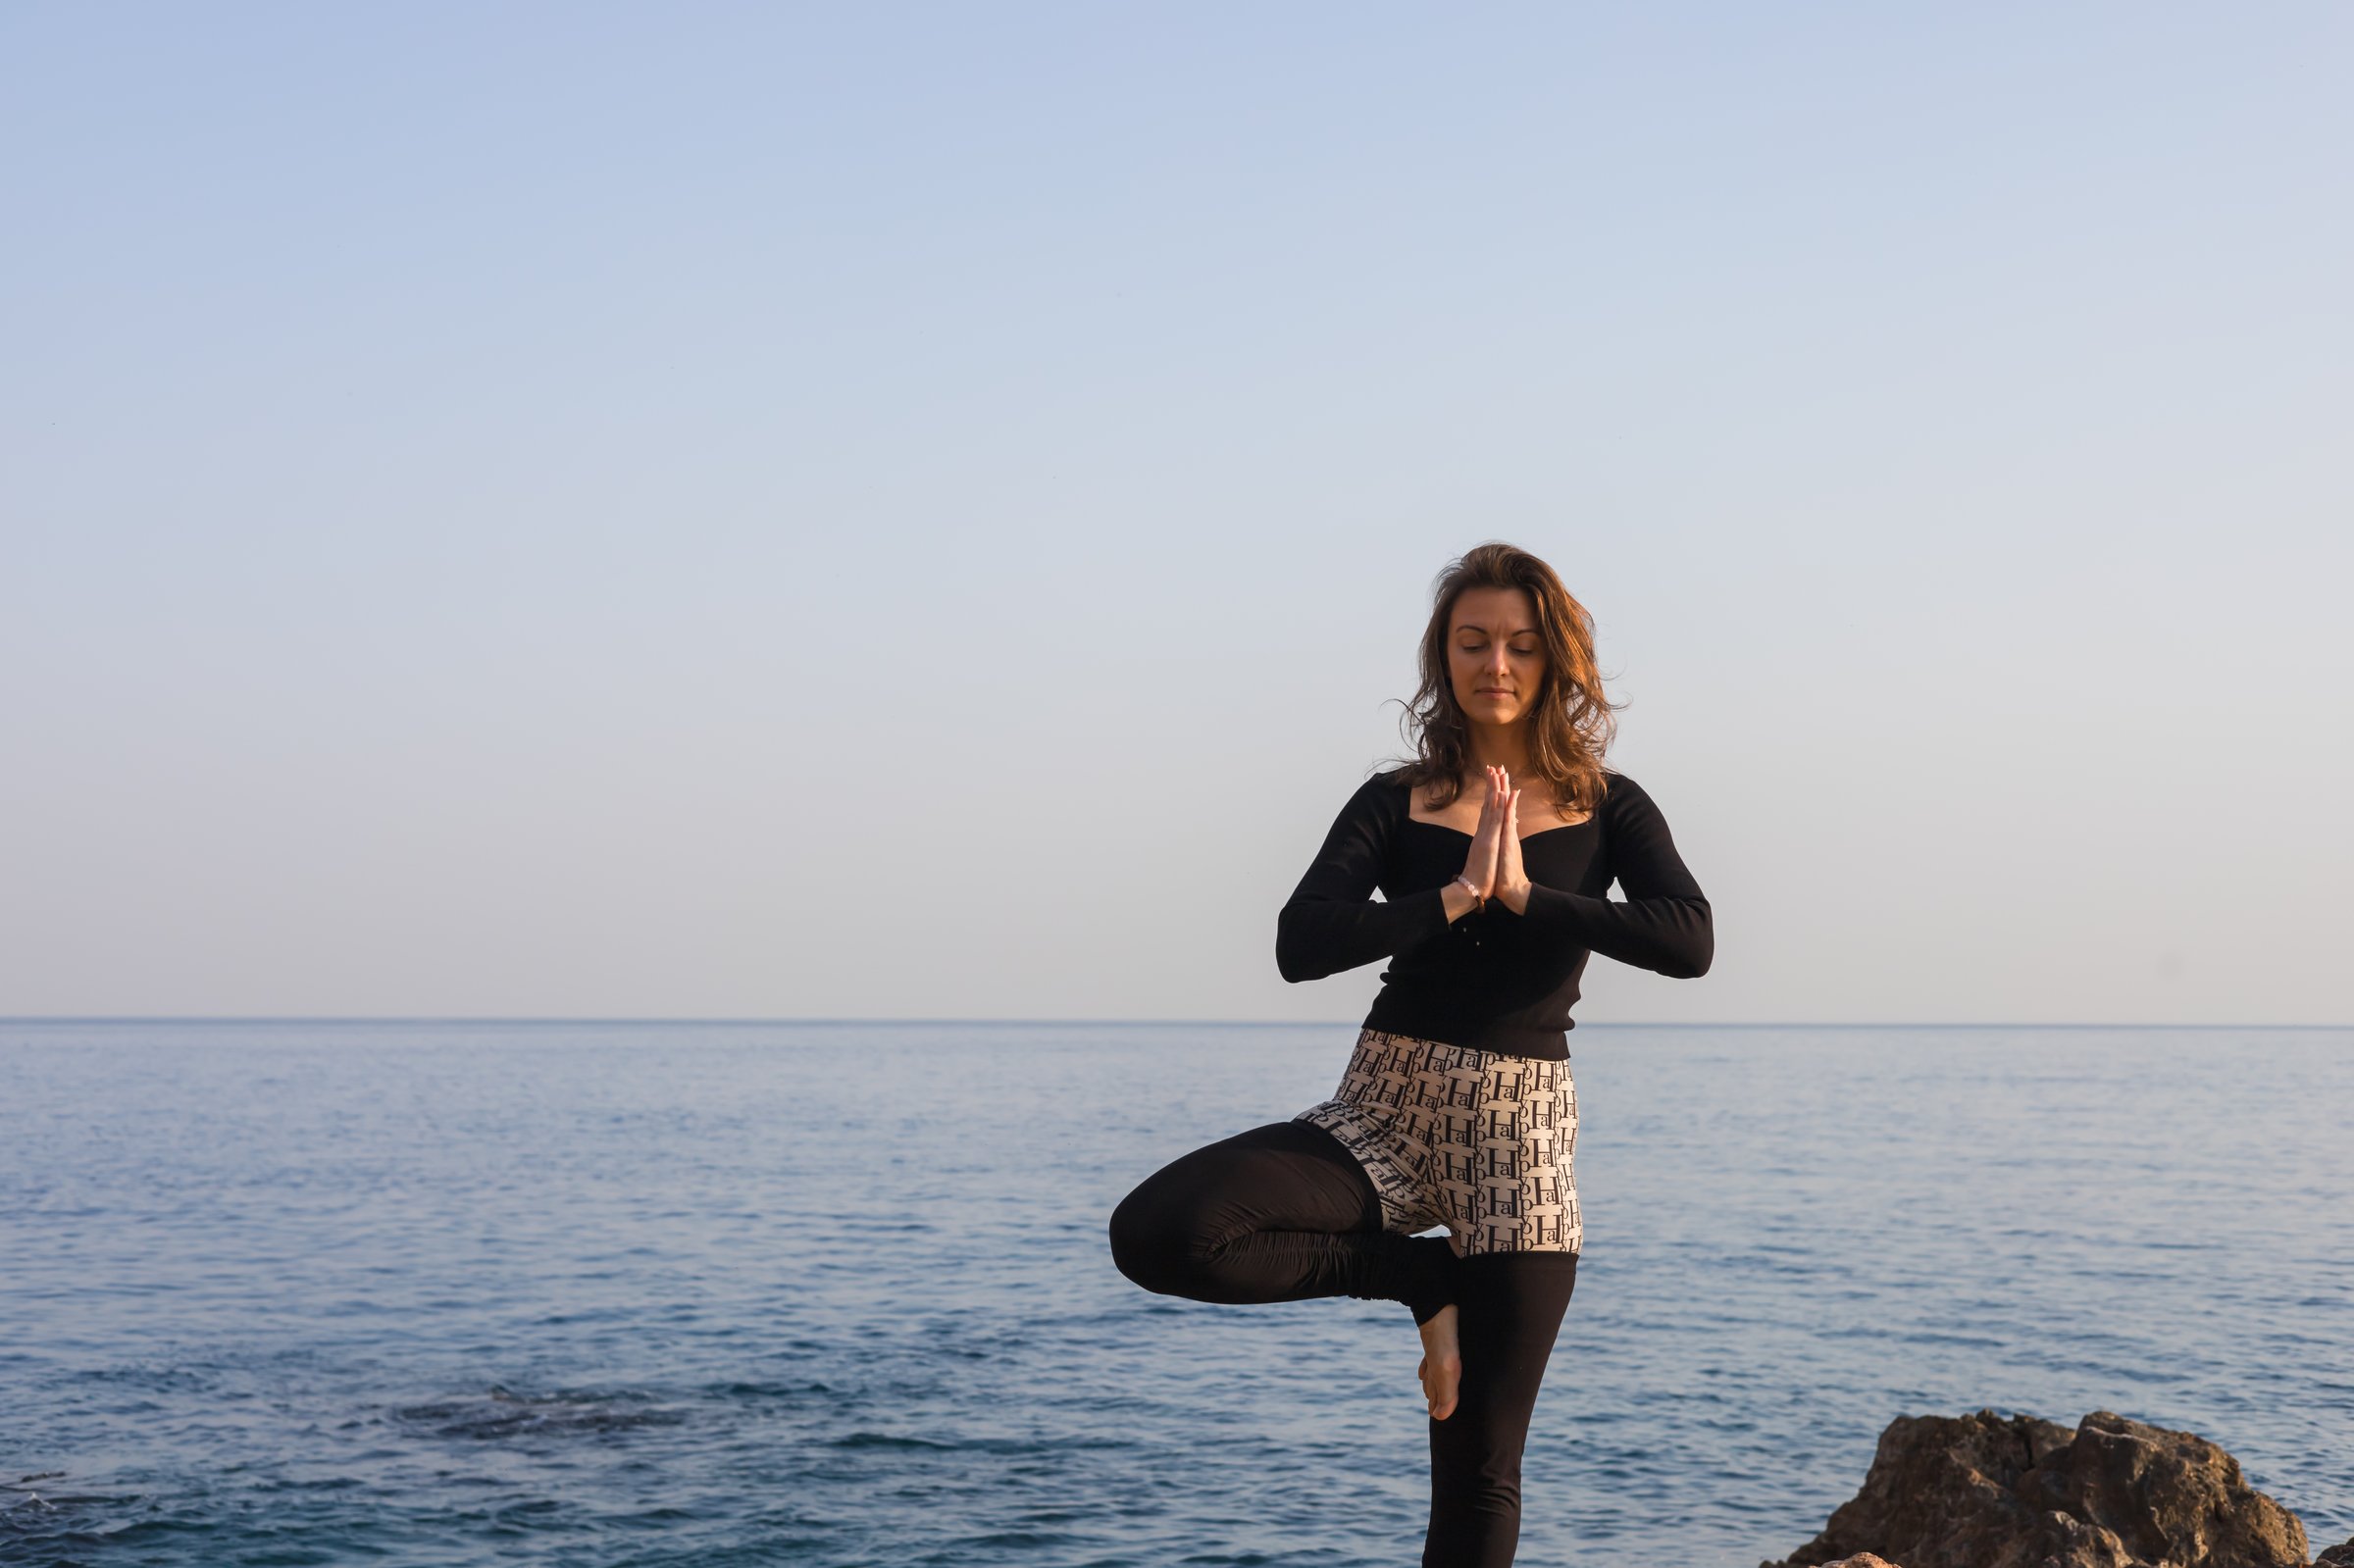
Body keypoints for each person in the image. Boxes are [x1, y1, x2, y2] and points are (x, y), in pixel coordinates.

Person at [1105, 541, 1714, 1567]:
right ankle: (1418, 1279)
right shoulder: (1398, 801)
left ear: (1556, 660)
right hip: (1382, 1111)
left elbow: (1689, 939)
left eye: (1521, 645)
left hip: (1520, 1147)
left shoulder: (1609, 805)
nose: (1497, 665)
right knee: (1162, 1232)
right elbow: (1302, 944)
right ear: (1445, 657)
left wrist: (1528, 896)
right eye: (1472, 642)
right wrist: (1450, 898)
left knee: (1478, 1475)